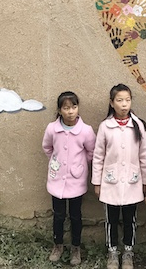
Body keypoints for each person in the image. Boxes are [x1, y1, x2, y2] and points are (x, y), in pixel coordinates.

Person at [92, 84, 146, 269]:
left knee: (129, 220)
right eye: (119, 100)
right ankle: (112, 252)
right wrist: (97, 182)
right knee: (111, 220)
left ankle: (128, 252)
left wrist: (145, 181)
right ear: (112, 103)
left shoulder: (138, 125)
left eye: (127, 100)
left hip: (132, 182)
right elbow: (98, 156)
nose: (124, 104)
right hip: (110, 182)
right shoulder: (105, 126)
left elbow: (145, 155)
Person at [42, 91, 96, 266]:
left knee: (75, 216)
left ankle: (75, 247)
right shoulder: (52, 129)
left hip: (76, 181)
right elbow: (47, 147)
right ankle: (57, 245)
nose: (70, 111)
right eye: (66, 108)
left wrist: (79, 166)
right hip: (57, 180)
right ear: (59, 110)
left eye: (74, 107)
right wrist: (56, 163)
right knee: (58, 215)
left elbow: (91, 151)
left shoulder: (86, 131)